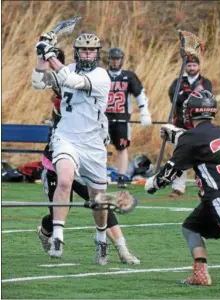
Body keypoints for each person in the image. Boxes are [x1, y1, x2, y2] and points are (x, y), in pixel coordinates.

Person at [36, 36, 139, 265]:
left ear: (97, 53)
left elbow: (72, 80)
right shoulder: (64, 77)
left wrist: (50, 55)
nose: (87, 54)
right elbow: (38, 81)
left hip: (91, 147)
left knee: (99, 201)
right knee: (63, 187)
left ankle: (111, 244)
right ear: (76, 52)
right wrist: (41, 56)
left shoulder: (100, 76)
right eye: (82, 50)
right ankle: (56, 237)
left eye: (91, 51)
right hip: (64, 143)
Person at [145, 90, 220, 285]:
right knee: (190, 228)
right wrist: (178, 135)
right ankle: (200, 274)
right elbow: (197, 143)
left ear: (190, 112)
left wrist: (153, 183)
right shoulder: (218, 131)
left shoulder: (192, 137)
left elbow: (171, 171)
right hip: (218, 192)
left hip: (218, 194)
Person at [105, 47, 152, 188]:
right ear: (109, 60)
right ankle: (99, 176)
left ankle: (121, 176)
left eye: (117, 59)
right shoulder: (101, 75)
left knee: (122, 147)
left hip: (121, 118)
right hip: (103, 118)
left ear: (121, 60)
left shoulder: (129, 76)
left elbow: (140, 94)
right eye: (113, 59)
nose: (115, 62)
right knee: (99, 147)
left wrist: (144, 111)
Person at [168, 55, 212, 197]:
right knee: (180, 156)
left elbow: (207, 99)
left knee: (202, 157)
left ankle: (205, 186)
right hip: (181, 125)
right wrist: (192, 94)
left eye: (194, 65)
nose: (192, 68)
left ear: (198, 66)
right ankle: (178, 187)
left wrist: (186, 95)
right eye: (189, 65)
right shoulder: (178, 81)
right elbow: (175, 98)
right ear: (185, 67)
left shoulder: (205, 82)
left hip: (199, 125)